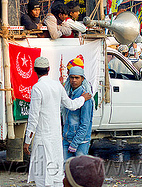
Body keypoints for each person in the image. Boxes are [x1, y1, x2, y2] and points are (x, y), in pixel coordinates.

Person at [24, 57, 91, 187]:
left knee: (43, 173)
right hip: (55, 139)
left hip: (43, 138)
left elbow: (33, 117)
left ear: (34, 71)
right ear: (49, 69)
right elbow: (71, 105)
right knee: (55, 173)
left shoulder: (37, 88)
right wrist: (82, 99)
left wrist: (27, 141)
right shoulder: (57, 86)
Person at [62, 66, 93, 159]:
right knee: (66, 169)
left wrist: (75, 143)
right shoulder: (68, 94)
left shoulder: (85, 97)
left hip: (80, 142)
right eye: (72, 77)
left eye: (77, 78)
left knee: (80, 170)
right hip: (67, 139)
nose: (74, 80)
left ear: (82, 79)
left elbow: (85, 124)